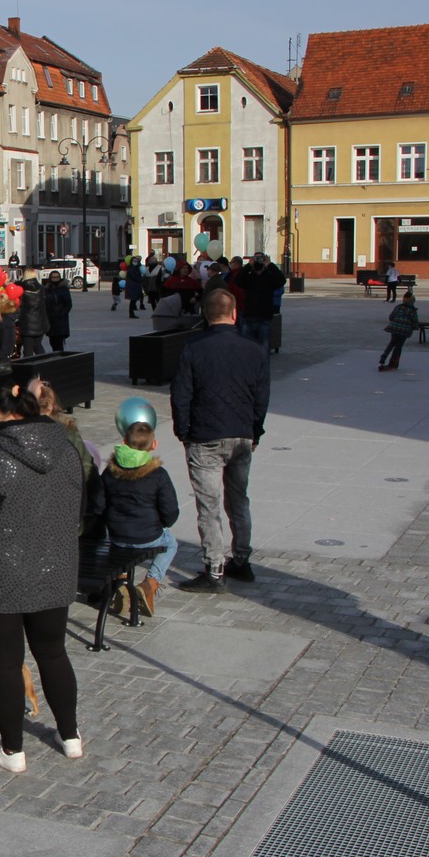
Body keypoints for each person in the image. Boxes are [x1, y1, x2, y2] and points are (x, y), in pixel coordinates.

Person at [0, 373, 85, 773]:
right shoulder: (65, 446)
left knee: (6, 664)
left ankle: (12, 750)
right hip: (56, 565)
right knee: (53, 652)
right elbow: (79, 509)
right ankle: (70, 737)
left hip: (0, 571)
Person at [170, 289, 271, 591]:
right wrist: (255, 430)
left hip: (205, 435)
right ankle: (241, 559)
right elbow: (262, 396)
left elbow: (181, 394)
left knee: (209, 505)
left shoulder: (193, 347)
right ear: (234, 313)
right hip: (241, 435)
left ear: (205, 314)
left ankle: (215, 568)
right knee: (239, 501)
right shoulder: (254, 349)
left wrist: (183, 431)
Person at [88, 420, 179, 615]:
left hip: (117, 536)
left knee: (116, 546)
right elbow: (170, 512)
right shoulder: (158, 474)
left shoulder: (110, 471)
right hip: (148, 536)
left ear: (124, 441)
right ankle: (150, 583)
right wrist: (161, 524)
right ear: (153, 445)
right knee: (171, 543)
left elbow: (98, 506)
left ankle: (122, 581)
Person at [234, 253, 284, 352]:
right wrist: (248, 266)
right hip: (249, 318)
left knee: (264, 350)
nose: (258, 260)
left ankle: (262, 366)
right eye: (256, 258)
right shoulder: (249, 277)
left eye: (261, 258)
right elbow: (237, 280)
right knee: (247, 350)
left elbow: (281, 281)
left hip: (264, 318)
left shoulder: (269, 277)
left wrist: (270, 265)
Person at [378, 291, 420, 372]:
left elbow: (391, 316)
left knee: (392, 343)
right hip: (404, 330)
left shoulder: (398, 307)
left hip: (394, 328)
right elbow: (414, 321)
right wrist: (415, 327)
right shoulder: (412, 310)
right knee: (398, 347)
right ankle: (394, 362)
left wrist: (396, 322)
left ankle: (384, 356)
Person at [17, 269, 47, 355]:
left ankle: (29, 366)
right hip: (40, 323)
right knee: (38, 346)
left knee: (28, 349)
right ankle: (43, 364)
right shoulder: (42, 288)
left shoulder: (21, 289)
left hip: (27, 324)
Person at [43, 271, 73, 352]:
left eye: (57, 277)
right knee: (52, 342)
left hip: (60, 320)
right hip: (50, 320)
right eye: (53, 277)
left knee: (59, 343)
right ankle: (56, 358)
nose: (55, 279)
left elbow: (68, 304)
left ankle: (60, 360)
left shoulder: (64, 289)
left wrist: (61, 314)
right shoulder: (47, 289)